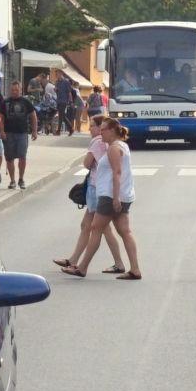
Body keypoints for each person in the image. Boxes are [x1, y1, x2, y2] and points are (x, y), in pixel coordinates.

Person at [75, 118, 142, 280]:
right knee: (125, 231)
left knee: (96, 228)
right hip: (123, 194)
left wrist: (115, 198)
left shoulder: (114, 148)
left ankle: (82, 267)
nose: (101, 132)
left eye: (103, 129)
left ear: (112, 131)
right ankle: (135, 269)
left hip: (111, 195)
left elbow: (117, 173)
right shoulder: (122, 145)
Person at [57, 126, 125, 277]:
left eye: (93, 125)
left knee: (100, 228)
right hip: (102, 188)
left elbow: (87, 164)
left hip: (97, 188)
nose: (91, 129)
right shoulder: (115, 144)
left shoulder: (97, 142)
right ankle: (75, 260)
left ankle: (83, 265)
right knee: (92, 226)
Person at [2, 84, 37, 189]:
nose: (14, 92)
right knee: (9, 158)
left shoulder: (26, 102)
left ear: (21, 90)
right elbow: (1, 118)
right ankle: (12, 181)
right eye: (12, 90)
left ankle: (21, 179)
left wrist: (34, 131)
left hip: (22, 133)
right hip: (9, 133)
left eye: (16, 90)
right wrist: (1, 131)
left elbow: (33, 116)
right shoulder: (5, 102)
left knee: (22, 156)